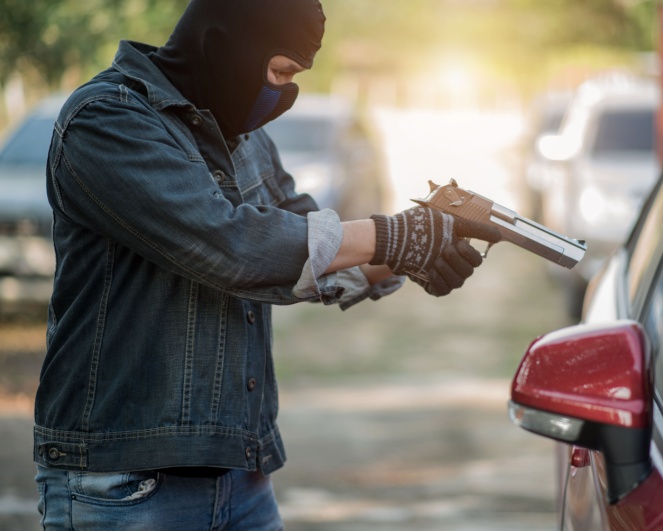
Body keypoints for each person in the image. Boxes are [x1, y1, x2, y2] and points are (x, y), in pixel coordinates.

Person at [32, 0, 500, 528]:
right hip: (126, 486)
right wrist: (391, 237)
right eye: (279, 72)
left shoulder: (242, 135)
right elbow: (232, 247)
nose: (281, 96)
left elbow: (298, 241)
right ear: (222, 44)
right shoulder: (106, 121)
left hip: (241, 476)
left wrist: (402, 259)